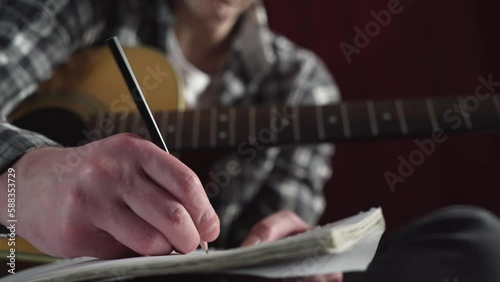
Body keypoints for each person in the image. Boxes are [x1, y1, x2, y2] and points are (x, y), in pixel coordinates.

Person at [0, 0, 338, 259]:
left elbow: (264, 242)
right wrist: (21, 174)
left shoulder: (303, 86)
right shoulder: (82, 8)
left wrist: (283, 258)